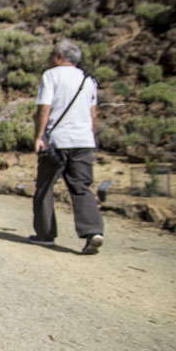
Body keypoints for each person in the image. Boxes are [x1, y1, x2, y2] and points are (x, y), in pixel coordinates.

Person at [30, 39, 105, 254]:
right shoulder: (88, 80)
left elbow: (44, 108)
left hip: (57, 141)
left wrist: (39, 136)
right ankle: (93, 231)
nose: (50, 58)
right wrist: (90, 136)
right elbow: (93, 113)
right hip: (83, 140)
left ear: (60, 57)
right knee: (81, 187)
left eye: (53, 54)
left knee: (45, 188)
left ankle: (45, 235)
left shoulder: (51, 75)